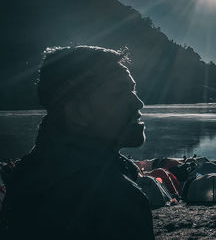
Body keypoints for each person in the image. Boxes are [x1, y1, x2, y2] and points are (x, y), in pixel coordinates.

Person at [1, 46, 153, 239]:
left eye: (133, 90)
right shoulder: (117, 198)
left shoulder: (27, 171)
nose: (138, 103)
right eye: (118, 94)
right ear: (76, 112)